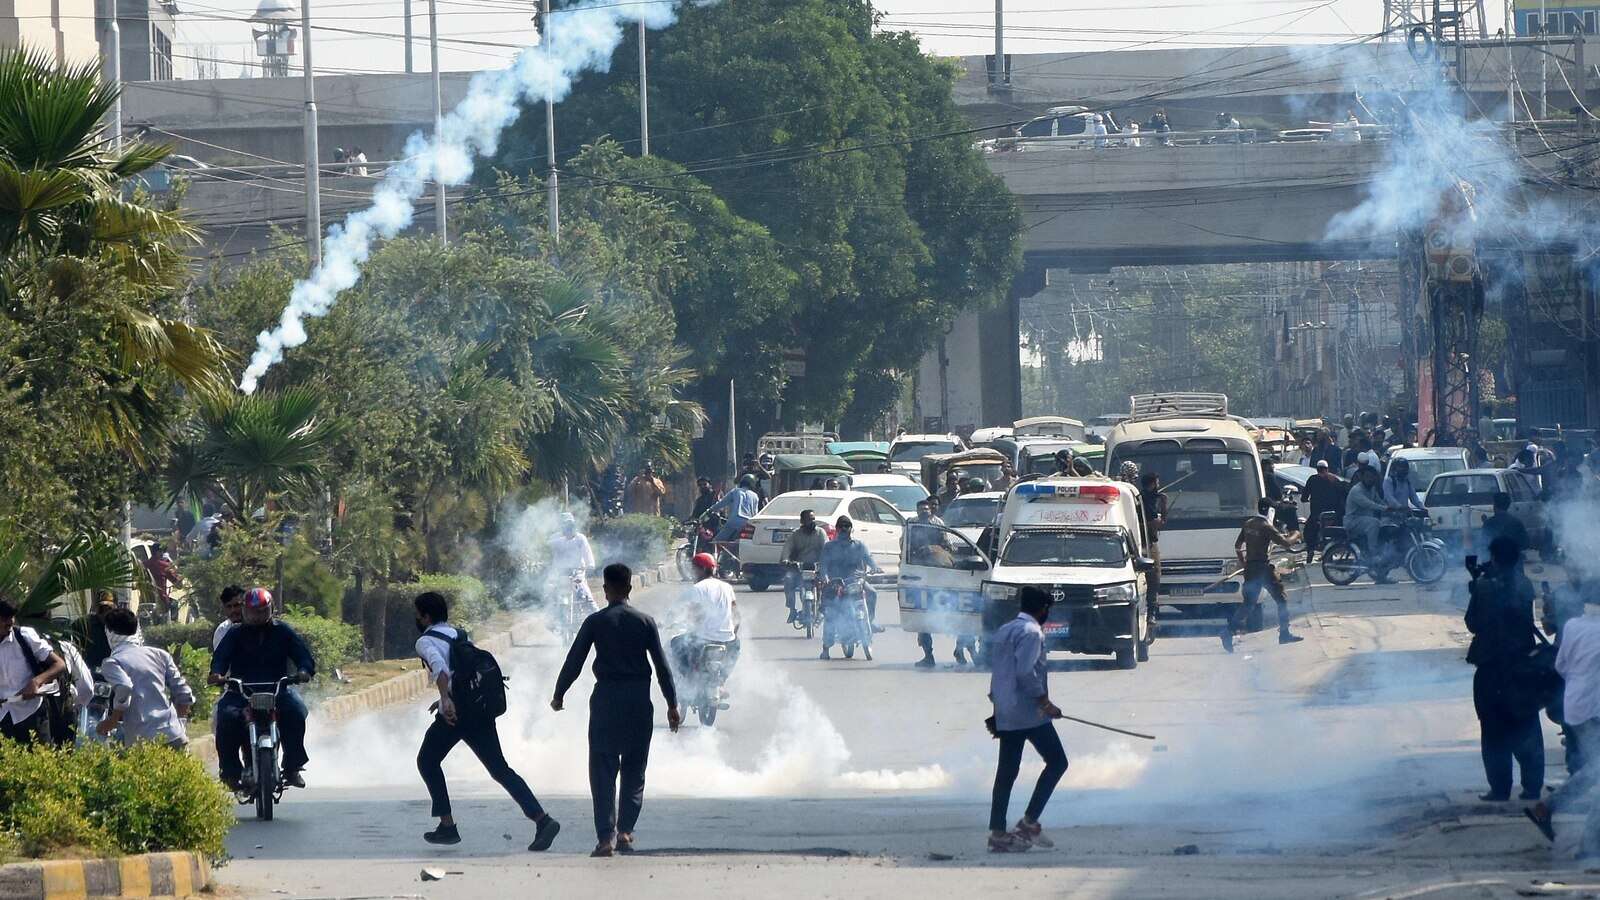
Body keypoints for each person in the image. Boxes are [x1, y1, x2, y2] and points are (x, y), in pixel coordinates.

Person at [550, 565, 681, 857]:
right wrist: (672, 704)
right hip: (638, 700)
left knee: (602, 770)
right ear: (630, 589)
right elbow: (661, 666)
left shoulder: (596, 622)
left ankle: (604, 838)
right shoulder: (645, 622)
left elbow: (575, 661)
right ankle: (625, 831)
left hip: (606, 700)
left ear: (606, 589)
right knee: (635, 767)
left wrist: (559, 694)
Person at [414, 591, 561, 850]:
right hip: (478, 710)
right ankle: (542, 819)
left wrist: (445, 700)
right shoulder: (458, 634)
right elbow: (463, 674)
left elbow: (440, 668)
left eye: (418, 614)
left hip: (456, 714)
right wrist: (444, 698)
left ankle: (447, 826)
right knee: (500, 769)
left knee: (427, 760)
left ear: (425, 616)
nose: (416, 618)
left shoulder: (424, 641)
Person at [986, 586, 1069, 853]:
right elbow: (1025, 672)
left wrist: (998, 704)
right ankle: (1029, 822)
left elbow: (998, 671)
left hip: (1007, 710)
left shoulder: (1005, 629)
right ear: (1043, 609)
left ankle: (998, 833)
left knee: (1006, 773)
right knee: (1057, 762)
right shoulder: (1032, 632)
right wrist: (1045, 703)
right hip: (1029, 712)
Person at [209, 588, 315, 790]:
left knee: (296, 711)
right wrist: (217, 674)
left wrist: (304, 670)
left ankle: (293, 766)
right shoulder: (234, 633)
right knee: (226, 718)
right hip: (240, 692)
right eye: (253, 612)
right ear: (245, 611)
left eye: (262, 611)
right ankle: (230, 772)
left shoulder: (283, 631)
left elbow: (302, 654)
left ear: (271, 609)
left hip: (278, 689)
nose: (257, 617)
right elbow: (220, 658)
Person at [1466, 536, 1544, 802]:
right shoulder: (1525, 584)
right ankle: (1532, 787)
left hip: (1491, 667)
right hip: (1522, 667)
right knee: (1527, 725)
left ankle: (1500, 789)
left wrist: (1477, 586)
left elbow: (1472, 622)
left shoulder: (1484, 586)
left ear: (1496, 558)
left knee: (1493, 730)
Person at [1526, 609, 1600, 851]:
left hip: (1575, 705)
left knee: (1593, 771)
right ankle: (1589, 846)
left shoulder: (1573, 625)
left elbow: (1561, 665)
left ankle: (1547, 808)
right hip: (1593, 709)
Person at [97, 608, 193, 748]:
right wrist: (180, 723)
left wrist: (112, 721)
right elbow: (184, 692)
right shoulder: (160, 655)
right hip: (174, 734)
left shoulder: (112, 663)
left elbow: (124, 688)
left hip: (143, 742)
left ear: (109, 632)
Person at [1234, 499, 1303, 644]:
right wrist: (1296, 534)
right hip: (1263, 569)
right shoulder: (1266, 527)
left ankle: (1227, 631)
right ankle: (1284, 634)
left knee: (1248, 603)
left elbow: (1238, 546)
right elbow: (1285, 543)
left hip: (1251, 569)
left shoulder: (1248, 523)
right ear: (1270, 511)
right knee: (1281, 600)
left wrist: (1244, 562)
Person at [0, 599, 67, 745]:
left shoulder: (24, 636)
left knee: (40, 763)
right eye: (5, 619)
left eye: (12, 617)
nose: (10, 622)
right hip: (3, 717)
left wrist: (36, 682)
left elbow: (59, 665)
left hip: (32, 714)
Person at [819, 516, 884, 656]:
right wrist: (824, 577)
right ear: (836, 529)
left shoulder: (859, 545)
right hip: (835, 583)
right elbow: (823, 565)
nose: (843, 529)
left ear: (851, 529)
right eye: (841, 526)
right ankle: (825, 649)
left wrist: (875, 567)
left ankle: (870, 621)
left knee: (872, 593)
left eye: (846, 526)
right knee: (830, 613)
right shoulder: (829, 546)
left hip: (855, 580)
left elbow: (869, 558)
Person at [670, 553, 741, 680]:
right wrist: (731, 634)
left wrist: (671, 622)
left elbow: (689, 614)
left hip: (702, 641)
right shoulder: (727, 587)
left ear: (701, 569)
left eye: (693, 569)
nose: (692, 573)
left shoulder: (696, 589)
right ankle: (721, 682)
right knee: (736, 646)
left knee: (675, 644)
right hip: (728, 641)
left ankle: (688, 682)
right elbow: (736, 615)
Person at [781, 509, 827, 625]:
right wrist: (785, 560)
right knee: (788, 579)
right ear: (802, 521)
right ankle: (792, 609)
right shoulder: (795, 535)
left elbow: (827, 549)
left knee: (828, 583)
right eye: (808, 520)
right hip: (799, 568)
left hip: (817, 568)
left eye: (812, 519)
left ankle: (822, 610)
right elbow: (787, 548)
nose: (811, 522)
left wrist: (827, 562)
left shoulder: (820, 533)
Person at [548, 513, 598, 619]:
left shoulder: (580, 538)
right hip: (560, 574)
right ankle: (552, 621)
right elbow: (550, 546)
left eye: (569, 524)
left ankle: (599, 619)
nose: (567, 527)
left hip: (577, 573)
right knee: (551, 596)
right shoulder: (555, 539)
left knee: (586, 596)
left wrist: (590, 565)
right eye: (564, 524)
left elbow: (587, 553)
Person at [1303, 459, 1345, 564]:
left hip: (1316, 514)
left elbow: (1304, 497)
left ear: (1317, 469)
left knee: (1309, 532)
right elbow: (1343, 493)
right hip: (1333, 514)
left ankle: (1310, 550)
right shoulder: (1334, 479)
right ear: (1327, 469)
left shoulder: (1312, 479)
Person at [708, 475, 761, 553]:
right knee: (744, 543)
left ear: (741, 483)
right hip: (748, 524)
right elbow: (755, 514)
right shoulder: (755, 496)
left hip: (734, 521)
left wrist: (710, 510)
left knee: (716, 542)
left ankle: (715, 560)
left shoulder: (736, 491)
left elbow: (722, 503)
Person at [1344, 465, 1386, 558]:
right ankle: (1373, 552)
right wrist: (1385, 509)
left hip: (1363, 520)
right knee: (1374, 523)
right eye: (1367, 476)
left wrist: (1392, 508)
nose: (1370, 479)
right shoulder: (1356, 490)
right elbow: (1369, 504)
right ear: (1362, 477)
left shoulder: (1372, 489)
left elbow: (1379, 501)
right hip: (1353, 521)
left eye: (1372, 477)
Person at [1482, 492, 1530, 559]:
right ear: (1508, 505)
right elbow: (1526, 543)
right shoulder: (1517, 522)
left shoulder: (1489, 523)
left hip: (1497, 562)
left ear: (1494, 505)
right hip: (1513, 562)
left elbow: (1483, 545)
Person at [144, 544, 182, 620]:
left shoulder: (144, 564)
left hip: (147, 598)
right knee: (175, 604)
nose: (162, 553)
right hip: (162, 599)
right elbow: (177, 584)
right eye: (161, 551)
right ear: (157, 552)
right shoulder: (164, 565)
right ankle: (171, 625)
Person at [213, 584, 246, 651]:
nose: (233, 610)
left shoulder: (256, 625)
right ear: (224, 608)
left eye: (237, 605)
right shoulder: (222, 630)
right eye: (229, 606)